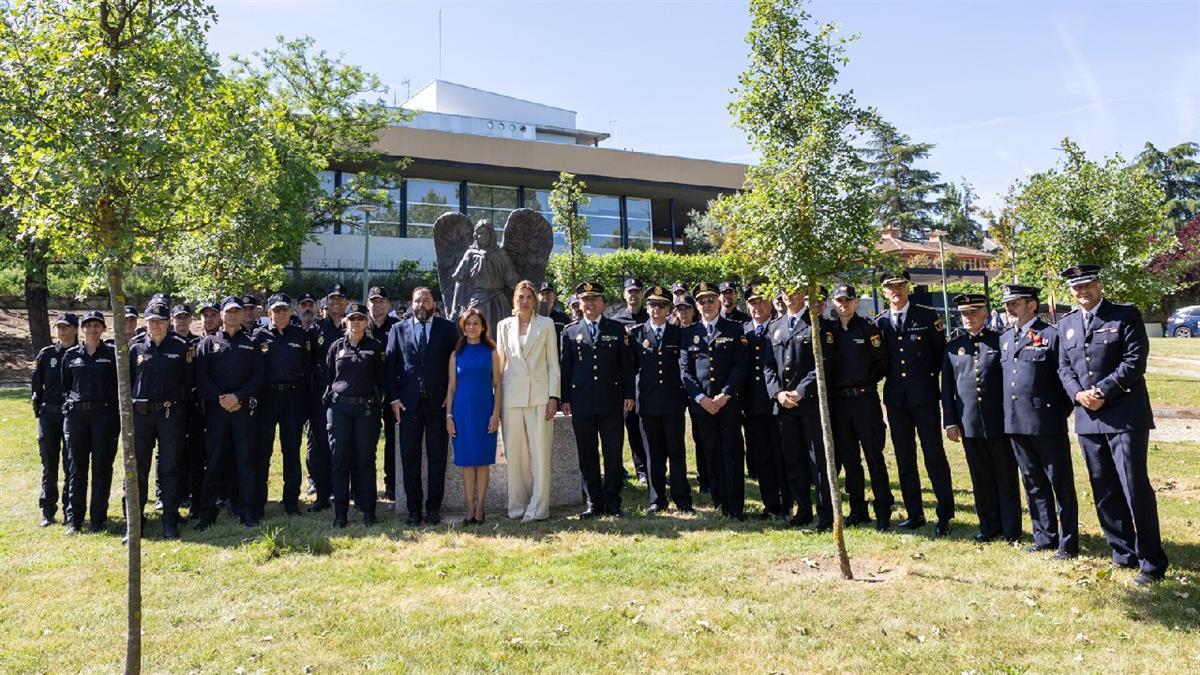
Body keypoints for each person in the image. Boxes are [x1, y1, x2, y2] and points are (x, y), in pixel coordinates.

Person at [1056, 264, 1167, 585]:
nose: (1083, 292)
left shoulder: (1125, 315)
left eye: (1088, 285)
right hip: (1088, 417)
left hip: (1124, 415)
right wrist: (1078, 394)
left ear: (1100, 284)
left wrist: (1102, 391)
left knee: (1134, 487)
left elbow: (1135, 360)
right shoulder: (1067, 324)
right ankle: (1122, 552)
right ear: (1071, 291)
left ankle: (1152, 561)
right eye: (1077, 288)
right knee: (1102, 487)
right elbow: (1064, 368)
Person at [1000, 284, 1078, 559]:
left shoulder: (1051, 336)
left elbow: (1066, 379)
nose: (1010, 309)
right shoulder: (1006, 338)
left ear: (1032, 305)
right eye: (1007, 304)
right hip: (1015, 423)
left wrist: (1056, 414)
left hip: (1047, 423)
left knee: (1060, 484)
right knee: (1032, 482)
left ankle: (1068, 543)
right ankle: (1044, 537)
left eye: (1016, 303)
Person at [875, 270, 954, 536]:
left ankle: (944, 513)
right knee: (904, 456)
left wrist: (926, 381)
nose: (896, 290)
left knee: (934, 454)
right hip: (896, 400)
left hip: (925, 396)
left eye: (900, 285)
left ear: (908, 288)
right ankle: (914, 512)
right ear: (883, 292)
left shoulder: (926, 315)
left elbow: (939, 354)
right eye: (890, 287)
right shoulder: (880, 323)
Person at [942, 294, 1022, 543]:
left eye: (974, 312)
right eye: (964, 313)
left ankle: (1011, 529)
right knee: (981, 477)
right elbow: (947, 389)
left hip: (999, 421)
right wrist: (951, 421)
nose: (969, 317)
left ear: (986, 314)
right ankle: (988, 526)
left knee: (1005, 476)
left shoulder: (1000, 342)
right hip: (969, 423)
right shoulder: (953, 347)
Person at [560, 281, 635, 518]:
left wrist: (629, 394)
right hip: (581, 403)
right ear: (579, 304)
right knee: (587, 453)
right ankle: (593, 502)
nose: (590, 303)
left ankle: (612, 501)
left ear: (602, 303)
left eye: (594, 299)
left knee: (613, 453)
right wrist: (565, 398)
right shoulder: (570, 331)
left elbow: (627, 366)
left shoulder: (616, 328)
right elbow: (566, 368)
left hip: (611, 401)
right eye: (585, 300)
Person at [386, 286, 458, 525]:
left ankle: (433, 509)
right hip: (408, 405)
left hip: (438, 403)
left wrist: (452, 395)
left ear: (433, 304)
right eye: (417, 300)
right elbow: (391, 366)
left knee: (437, 458)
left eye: (426, 300)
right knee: (409, 458)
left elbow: (456, 364)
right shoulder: (397, 329)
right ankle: (413, 510)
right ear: (411, 303)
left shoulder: (448, 329)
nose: (421, 305)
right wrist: (394, 398)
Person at [766, 287, 835, 530]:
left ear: (804, 294)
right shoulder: (775, 326)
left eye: (794, 292)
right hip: (784, 406)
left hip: (810, 404)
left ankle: (826, 515)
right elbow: (768, 367)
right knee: (793, 460)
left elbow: (823, 363)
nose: (789, 296)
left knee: (818, 462)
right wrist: (778, 393)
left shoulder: (816, 324)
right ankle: (803, 510)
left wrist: (800, 391)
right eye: (784, 292)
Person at [194, 296, 264, 530]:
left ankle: (247, 512)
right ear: (221, 315)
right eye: (229, 312)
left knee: (245, 462)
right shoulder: (208, 343)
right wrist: (221, 399)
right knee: (213, 461)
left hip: (243, 411)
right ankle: (207, 515)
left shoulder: (251, 342)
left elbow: (258, 377)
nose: (233, 315)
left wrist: (239, 397)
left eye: (237, 311)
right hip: (217, 412)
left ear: (242, 314)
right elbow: (202, 378)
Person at [681, 282, 749, 520]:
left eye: (711, 300)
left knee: (732, 453)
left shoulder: (734, 329)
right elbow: (685, 371)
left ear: (719, 302)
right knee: (710, 454)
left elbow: (741, 366)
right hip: (702, 407)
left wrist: (724, 395)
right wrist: (701, 399)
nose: (707, 305)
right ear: (696, 306)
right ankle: (720, 501)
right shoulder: (689, 332)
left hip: (728, 404)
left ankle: (736, 505)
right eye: (702, 301)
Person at [828, 284, 893, 531]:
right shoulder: (829, 331)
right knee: (849, 458)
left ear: (855, 303)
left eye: (848, 300)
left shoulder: (868, 328)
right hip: (840, 402)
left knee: (873, 455)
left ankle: (883, 509)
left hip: (864, 400)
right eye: (839, 300)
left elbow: (881, 363)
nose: (844, 305)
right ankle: (858, 510)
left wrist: (863, 380)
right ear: (834, 304)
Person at [127, 301, 192, 540]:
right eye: (151, 321)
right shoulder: (135, 349)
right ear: (146, 323)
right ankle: (135, 522)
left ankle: (170, 519)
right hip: (141, 416)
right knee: (137, 469)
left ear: (168, 323)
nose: (155, 325)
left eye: (160, 321)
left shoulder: (180, 347)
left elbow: (188, 383)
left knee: (170, 468)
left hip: (169, 414)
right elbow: (129, 382)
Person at [497, 281, 560, 522]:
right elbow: (500, 364)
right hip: (511, 397)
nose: (524, 301)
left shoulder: (546, 325)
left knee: (540, 453)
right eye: (520, 297)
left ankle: (539, 508)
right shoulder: (503, 326)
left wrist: (554, 396)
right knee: (515, 456)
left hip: (539, 397)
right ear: (514, 300)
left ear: (535, 301)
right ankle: (517, 507)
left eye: (529, 297)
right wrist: (496, 399)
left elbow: (553, 363)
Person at [629, 285, 693, 514]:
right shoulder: (635, 334)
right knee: (652, 454)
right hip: (647, 402)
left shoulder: (679, 333)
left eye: (662, 305)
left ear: (669, 309)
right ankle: (657, 500)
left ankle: (682, 499)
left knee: (676, 452)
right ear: (646, 308)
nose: (656, 309)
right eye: (653, 304)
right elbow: (630, 370)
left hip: (673, 402)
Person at [324, 302, 386, 527]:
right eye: (352, 319)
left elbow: (381, 379)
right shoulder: (335, 347)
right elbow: (330, 377)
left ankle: (369, 511)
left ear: (366, 321)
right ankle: (340, 514)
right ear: (345, 321)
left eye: (360, 318)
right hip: (340, 409)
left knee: (365, 461)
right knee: (340, 461)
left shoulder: (376, 347)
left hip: (366, 410)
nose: (356, 323)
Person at [252, 293, 311, 517]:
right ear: (269, 314)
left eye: (285, 310)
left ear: (291, 312)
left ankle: (291, 502)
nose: (281, 314)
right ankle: (260, 502)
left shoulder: (300, 335)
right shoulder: (259, 336)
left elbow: (306, 369)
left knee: (291, 451)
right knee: (263, 451)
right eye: (276, 310)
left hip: (292, 399)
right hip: (267, 399)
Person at [62, 310, 119, 535]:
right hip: (77, 417)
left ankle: (98, 519)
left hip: (104, 416)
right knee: (77, 468)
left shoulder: (112, 354)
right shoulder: (71, 356)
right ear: (81, 329)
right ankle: (74, 520)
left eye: (97, 325)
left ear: (103, 328)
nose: (93, 329)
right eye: (88, 325)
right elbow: (66, 385)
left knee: (102, 468)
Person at [446, 308, 502, 524]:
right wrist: (449, 416)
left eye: (476, 323)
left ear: (483, 326)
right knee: (467, 462)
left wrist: (496, 413)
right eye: (468, 323)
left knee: (482, 462)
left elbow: (498, 385)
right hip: (462, 413)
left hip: (484, 411)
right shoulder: (455, 355)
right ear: (463, 326)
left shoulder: (491, 352)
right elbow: (451, 388)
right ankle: (469, 508)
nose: (471, 327)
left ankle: (480, 508)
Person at [742, 283, 788, 519]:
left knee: (782, 454)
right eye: (752, 302)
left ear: (770, 302)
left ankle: (787, 501)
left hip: (778, 403)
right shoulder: (743, 331)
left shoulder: (780, 326)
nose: (757, 306)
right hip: (752, 405)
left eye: (761, 300)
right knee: (761, 457)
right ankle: (770, 503)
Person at [31, 312, 78, 528]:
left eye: (66, 326)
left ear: (75, 329)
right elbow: (36, 388)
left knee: (71, 464)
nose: (61, 330)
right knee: (49, 465)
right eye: (58, 326)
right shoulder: (46, 354)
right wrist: (39, 416)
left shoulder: (80, 354)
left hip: (72, 415)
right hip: (49, 414)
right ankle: (48, 510)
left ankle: (70, 510)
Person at [307, 283, 348, 513]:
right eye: (332, 298)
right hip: (320, 395)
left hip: (344, 394)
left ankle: (343, 491)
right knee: (321, 445)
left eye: (340, 298)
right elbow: (309, 363)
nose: (336, 302)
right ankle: (322, 495)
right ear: (326, 302)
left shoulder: (353, 326)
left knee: (342, 444)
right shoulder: (316, 329)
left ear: (345, 302)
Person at [613, 277, 650, 484]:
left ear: (641, 294)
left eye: (637, 291)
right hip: (626, 381)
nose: (633, 295)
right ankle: (640, 470)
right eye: (630, 291)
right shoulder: (618, 322)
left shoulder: (650, 316)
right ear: (624, 294)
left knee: (647, 428)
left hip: (648, 381)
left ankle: (651, 468)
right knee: (630, 426)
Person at [367, 286, 400, 501]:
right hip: (366, 391)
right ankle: (365, 485)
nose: (377, 305)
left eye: (381, 301)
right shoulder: (359, 323)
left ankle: (391, 484)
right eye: (373, 301)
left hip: (391, 391)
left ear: (388, 304)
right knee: (366, 440)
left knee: (391, 440)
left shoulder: (398, 327)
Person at [673, 293, 708, 494]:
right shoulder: (674, 331)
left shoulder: (700, 330)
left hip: (698, 389)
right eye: (679, 309)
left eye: (686, 308)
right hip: (678, 391)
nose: (683, 312)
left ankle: (705, 478)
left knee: (701, 435)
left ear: (694, 310)